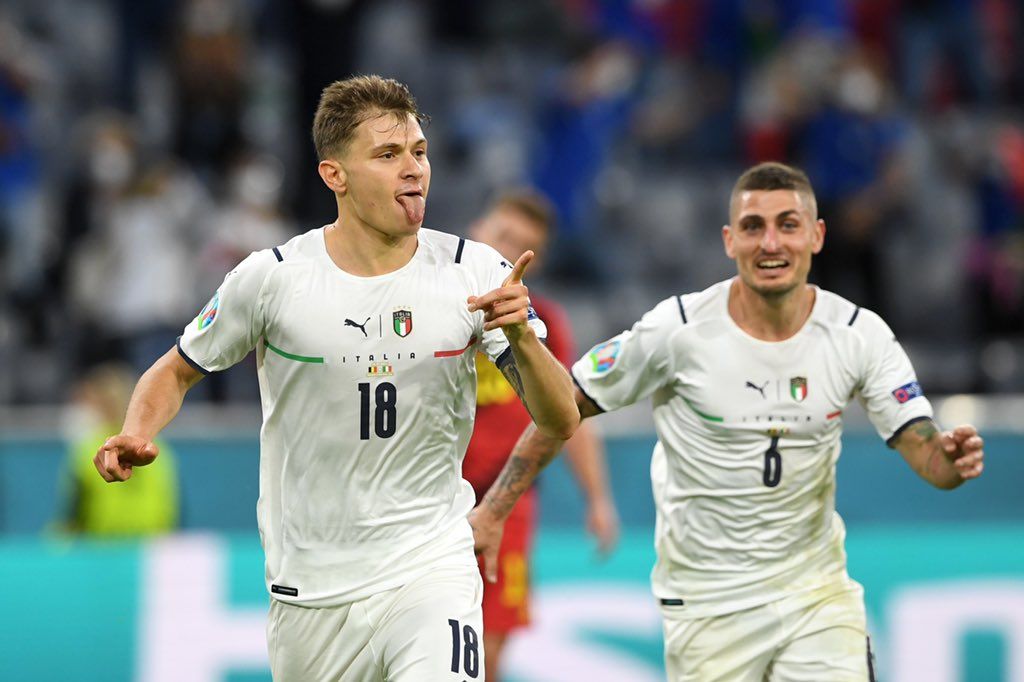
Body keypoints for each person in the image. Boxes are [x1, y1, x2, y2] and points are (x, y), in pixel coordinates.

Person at [94, 75, 580, 681]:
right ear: (335, 175)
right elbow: (175, 370)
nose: (414, 169)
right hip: (311, 592)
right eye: (388, 154)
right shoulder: (272, 278)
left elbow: (561, 417)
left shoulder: (474, 271)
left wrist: (523, 340)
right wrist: (136, 430)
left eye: (419, 152)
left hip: (431, 567)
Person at [470, 161, 986, 681]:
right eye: (753, 227)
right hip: (707, 604)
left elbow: (925, 449)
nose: (770, 243)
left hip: (816, 596)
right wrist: (494, 511)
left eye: (788, 225)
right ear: (729, 240)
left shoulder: (859, 334)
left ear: (816, 235)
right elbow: (564, 408)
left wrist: (947, 460)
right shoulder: (678, 330)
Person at [464, 190, 619, 681]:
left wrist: (597, 498)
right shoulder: (425, 309)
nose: (506, 252)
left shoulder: (544, 326)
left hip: (507, 501)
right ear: (477, 230)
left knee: (488, 650)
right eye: (502, 235)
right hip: (429, 498)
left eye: (522, 246)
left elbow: (571, 412)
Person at [57, 363, 179, 536]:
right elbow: (170, 507)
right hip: (144, 544)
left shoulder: (88, 449)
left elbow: (73, 514)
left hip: (107, 545)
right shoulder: (157, 448)